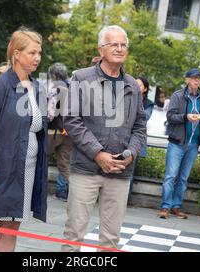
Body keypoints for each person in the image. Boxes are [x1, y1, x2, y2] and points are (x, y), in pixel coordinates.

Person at [62, 25, 147, 251]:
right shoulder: (81, 78)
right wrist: (97, 153)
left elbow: (140, 126)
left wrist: (130, 154)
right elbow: (71, 119)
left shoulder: (132, 85)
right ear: (101, 50)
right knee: (74, 233)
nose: (120, 49)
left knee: (111, 238)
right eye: (114, 45)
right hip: (86, 169)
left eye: (123, 45)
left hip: (120, 171)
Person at [0, 28, 48, 252]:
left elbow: (39, 127)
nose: (37, 58)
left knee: (12, 226)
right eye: (32, 52)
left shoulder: (39, 89)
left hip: (27, 169)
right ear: (16, 53)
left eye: (39, 53)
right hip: (1, 168)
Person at [158, 68, 200, 219]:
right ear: (187, 80)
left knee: (183, 178)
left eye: (199, 78)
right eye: (194, 78)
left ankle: (176, 206)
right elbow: (170, 117)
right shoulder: (178, 95)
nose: (197, 80)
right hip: (177, 143)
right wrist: (186, 117)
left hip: (193, 144)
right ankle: (165, 206)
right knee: (171, 175)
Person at [47, 62, 72, 201]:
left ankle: (35, 189)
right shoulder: (72, 87)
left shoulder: (56, 89)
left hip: (54, 132)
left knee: (39, 157)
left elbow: (50, 113)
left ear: (54, 75)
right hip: (70, 132)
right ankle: (74, 192)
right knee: (65, 164)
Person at [128, 76, 154, 199]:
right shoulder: (126, 97)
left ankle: (125, 199)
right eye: (134, 84)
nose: (136, 87)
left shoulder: (148, 104)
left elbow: (145, 117)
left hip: (136, 138)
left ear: (145, 89)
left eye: (139, 85)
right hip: (120, 137)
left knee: (130, 171)